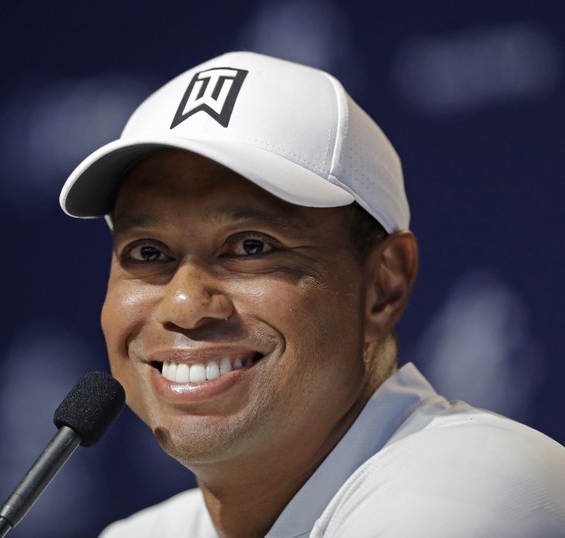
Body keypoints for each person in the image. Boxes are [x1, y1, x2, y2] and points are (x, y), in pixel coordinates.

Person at [59, 51, 565, 537]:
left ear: (384, 287)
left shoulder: (470, 490)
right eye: (148, 253)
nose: (185, 306)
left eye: (250, 246)